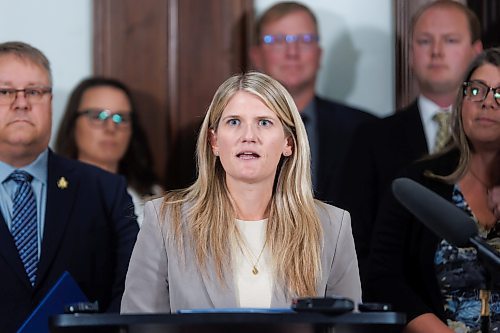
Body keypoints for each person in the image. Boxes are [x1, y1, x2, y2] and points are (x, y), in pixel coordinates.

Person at [121, 71, 361, 312]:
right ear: (214, 141)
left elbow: (349, 327)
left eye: (264, 122)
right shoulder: (165, 220)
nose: (248, 136)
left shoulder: (332, 226)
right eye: (234, 122)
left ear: (288, 143)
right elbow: (140, 323)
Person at [337, 0, 483, 282]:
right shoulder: (370, 138)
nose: (437, 52)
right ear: (410, 54)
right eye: (425, 41)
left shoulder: (492, 136)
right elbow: (353, 242)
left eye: (450, 40)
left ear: (476, 52)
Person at [0, 41, 139, 332]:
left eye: (35, 91)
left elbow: (132, 291)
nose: (21, 102)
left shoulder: (105, 190)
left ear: (51, 102)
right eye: (5, 91)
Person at [365, 47, 500, 333]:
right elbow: (383, 277)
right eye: (477, 91)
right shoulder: (418, 182)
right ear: (461, 101)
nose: (487, 102)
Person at [249, 1, 376, 202]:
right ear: (256, 55)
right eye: (278, 40)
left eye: (305, 40)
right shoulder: (225, 130)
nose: (292, 53)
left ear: (319, 54)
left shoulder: (365, 129)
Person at [55, 77, 162, 226]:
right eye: (98, 116)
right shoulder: (52, 191)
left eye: (121, 118)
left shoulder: (152, 194)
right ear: (73, 124)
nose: (111, 128)